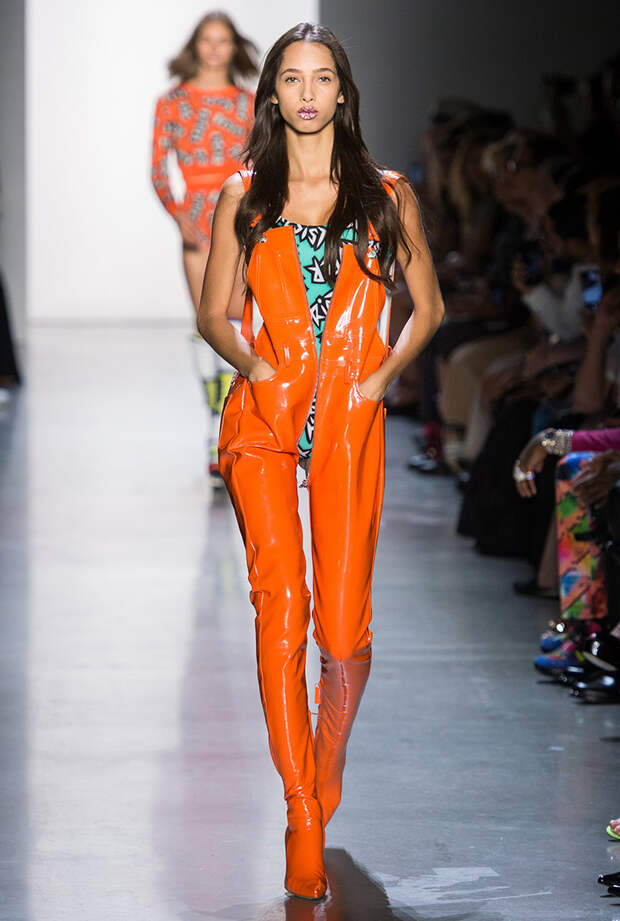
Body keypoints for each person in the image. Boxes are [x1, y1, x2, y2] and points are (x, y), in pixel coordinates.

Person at [197, 23, 444, 900]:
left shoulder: (386, 195)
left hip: (349, 419)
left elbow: (428, 308)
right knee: (282, 610)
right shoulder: (244, 195)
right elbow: (214, 312)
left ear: (343, 92)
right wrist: (256, 365)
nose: (308, 93)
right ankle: (302, 806)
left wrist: (379, 380)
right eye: (293, 79)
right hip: (264, 420)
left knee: (342, 631)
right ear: (273, 93)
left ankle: (323, 760)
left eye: (323, 78)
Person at [152, 11, 258, 478]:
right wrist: (179, 217)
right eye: (207, 39)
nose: (214, 48)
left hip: (240, 215)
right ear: (195, 45)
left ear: (234, 47)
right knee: (206, 320)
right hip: (196, 217)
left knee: (236, 317)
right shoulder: (172, 103)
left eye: (223, 40)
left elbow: (261, 162)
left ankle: (231, 422)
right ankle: (215, 425)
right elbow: (158, 170)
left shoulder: (248, 103)